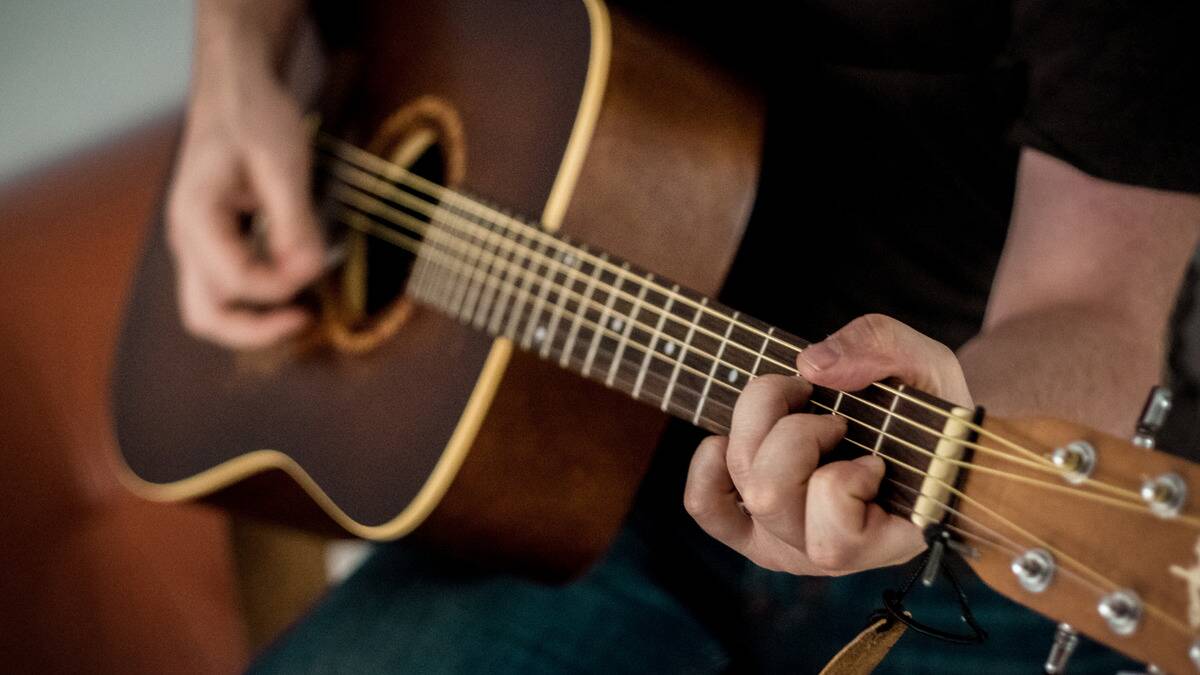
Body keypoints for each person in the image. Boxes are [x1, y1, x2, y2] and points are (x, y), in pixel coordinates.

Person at [168, 0, 1200, 671]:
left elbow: (1103, 299)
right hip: (565, 494)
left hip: (971, 543)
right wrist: (234, 65)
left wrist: (954, 424)